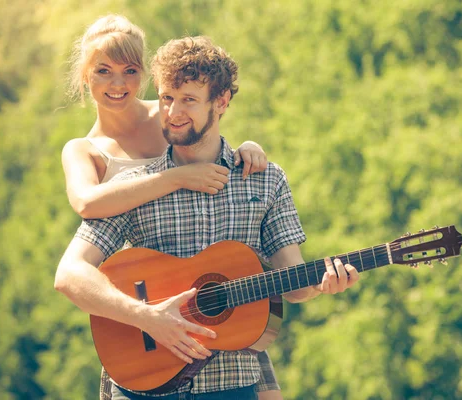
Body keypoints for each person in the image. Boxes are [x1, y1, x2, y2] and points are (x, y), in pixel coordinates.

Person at [54, 34, 359, 399]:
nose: (172, 112)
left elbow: (293, 284)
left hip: (232, 384)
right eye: (166, 98)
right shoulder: (136, 187)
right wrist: (146, 317)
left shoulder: (264, 180)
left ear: (222, 102)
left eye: (188, 100)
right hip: (145, 383)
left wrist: (322, 284)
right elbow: (70, 275)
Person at [61, 15, 280, 399]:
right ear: (85, 76)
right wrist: (176, 178)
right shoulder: (85, 149)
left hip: (218, 300)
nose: (118, 84)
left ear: (145, 75)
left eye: (130, 71)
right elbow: (86, 202)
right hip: (150, 311)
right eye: (103, 71)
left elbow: (212, 133)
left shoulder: (169, 113)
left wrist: (250, 150)